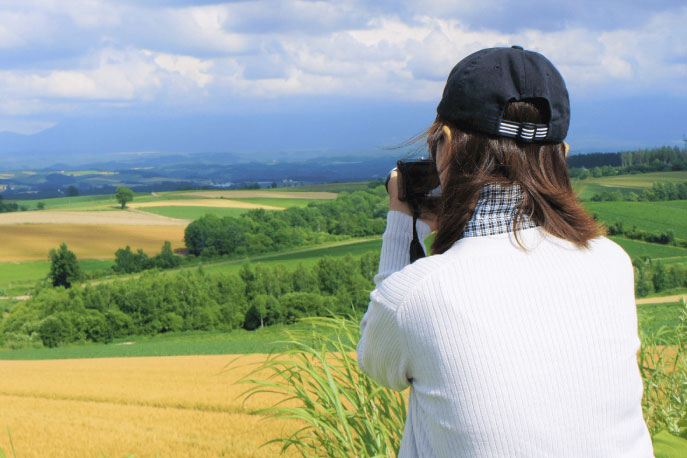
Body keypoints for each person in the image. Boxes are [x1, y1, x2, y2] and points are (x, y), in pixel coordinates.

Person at [356, 46, 654, 458]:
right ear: (561, 156)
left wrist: (402, 221)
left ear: (444, 145)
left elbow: (378, 363)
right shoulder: (612, 262)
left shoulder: (418, 294)